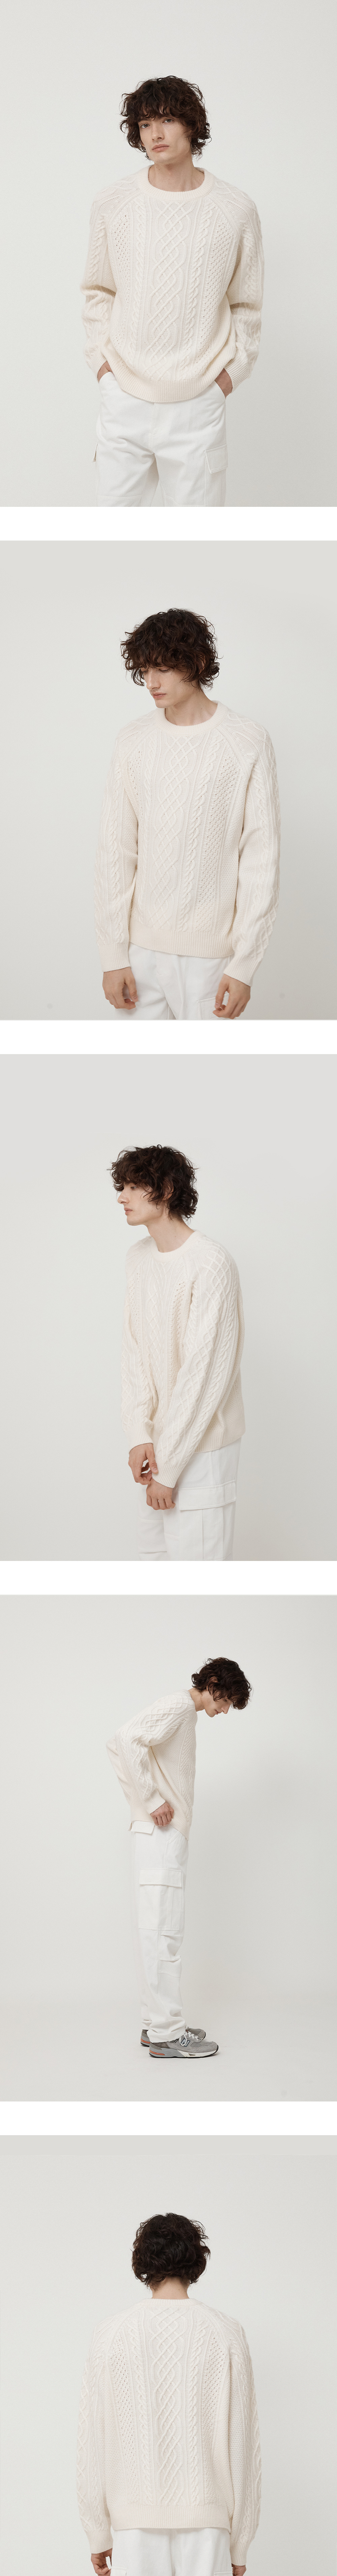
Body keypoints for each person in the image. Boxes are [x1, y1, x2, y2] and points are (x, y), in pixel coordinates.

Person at [81, 74, 264, 508]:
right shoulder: (112, 202)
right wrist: (104, 370)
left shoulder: (235, 210)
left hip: (197, 403)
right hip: (123, 396)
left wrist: (226, 381)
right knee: (112, 532)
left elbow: (247, 304)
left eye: (166, 120)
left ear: (191, 125)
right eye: (145, 125)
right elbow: (97, 289)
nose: (155, 134)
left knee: (195, 538)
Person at [96, 608, 280, 1021]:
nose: (151, 682)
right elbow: (116, 851)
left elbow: (261, 859)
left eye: (162, 669)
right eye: (145, 670)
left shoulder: (247, 741)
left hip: (211, 961)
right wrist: (113, 955)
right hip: (139, 955)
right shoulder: (132, 740)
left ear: (196, 663)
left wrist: (244, 964)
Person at [77, 2207, 261, 2573]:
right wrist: (239, 2546)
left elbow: (93, 2440)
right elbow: (242, 2444)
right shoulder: (226, 2332)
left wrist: (98, 2533)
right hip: (209, 2527)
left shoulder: (110, 2334)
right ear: (196, 2260)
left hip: (134, 2527)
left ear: (143, 2262)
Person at [107, 1654, 251, 2062]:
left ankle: (156, 2024)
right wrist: (151, 1800)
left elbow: (121, 1743)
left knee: (156, 1932)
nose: (225, 1710)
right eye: (226, 1700)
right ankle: (168, 2034)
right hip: (161, 1836)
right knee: (163, 1934)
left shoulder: (184, 1713)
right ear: (213, 1683)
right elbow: (123, 1739)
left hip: (161, 1836)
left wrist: (146, 1803)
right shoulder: (179, 1706)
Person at [110, 1143, 245, 1565]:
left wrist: (169, 1470)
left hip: (201, 1451)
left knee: (198, 1579)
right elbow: (134, 1353)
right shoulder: (138, 1258)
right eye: (121, 1187)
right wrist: (139, 1434)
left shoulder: (210, 1263)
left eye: (134, 1186)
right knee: (153, 1568)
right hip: (157, 1450)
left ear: (167, 1189)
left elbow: (204, 1376)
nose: (122, 1197)